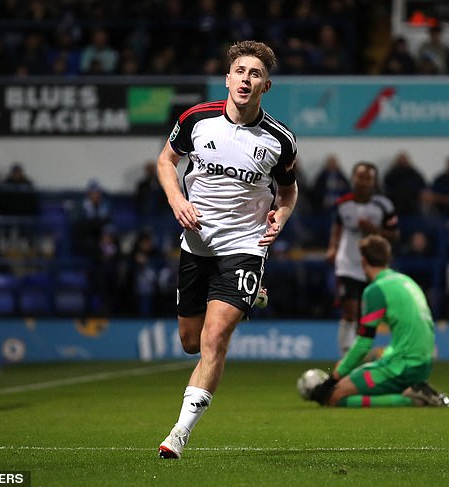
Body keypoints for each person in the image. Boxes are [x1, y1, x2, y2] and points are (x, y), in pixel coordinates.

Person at [156, 40, 298, 459]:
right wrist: (177, 200)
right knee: (190, 341)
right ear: (227, 78)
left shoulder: (280, 140)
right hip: (197, 243)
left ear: (265, 86)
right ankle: (253, 294)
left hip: (245, 246)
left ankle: (179, 433)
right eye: (240, 72)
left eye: (255, 74)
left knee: (215, 339)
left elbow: (288, 193)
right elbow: (166, 162)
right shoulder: (196, 119)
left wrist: (281, 217)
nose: (246, 80)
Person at [308, 235, 449, 408]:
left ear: (363, 261)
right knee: (357, 380)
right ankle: (416, 389)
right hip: (423, 363)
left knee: (334, 396)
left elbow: (364, 343)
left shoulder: (375, 290)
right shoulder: (405, 280)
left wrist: (333, 378)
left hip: (402, 366)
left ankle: (410, 400)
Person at [326, 162, 399, 355]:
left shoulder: (383, 205)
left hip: (372, 266)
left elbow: (395, 235)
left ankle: (360, 352)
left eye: (368, 178)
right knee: (350, 309)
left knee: (366, 313)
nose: (363, 182)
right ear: (353, 178)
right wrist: (332, 248)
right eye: (360, 177)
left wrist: (373, 230)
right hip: (347, 264)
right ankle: (345, 354)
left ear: (374, 182)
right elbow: (337, 227)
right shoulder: (343, 204)